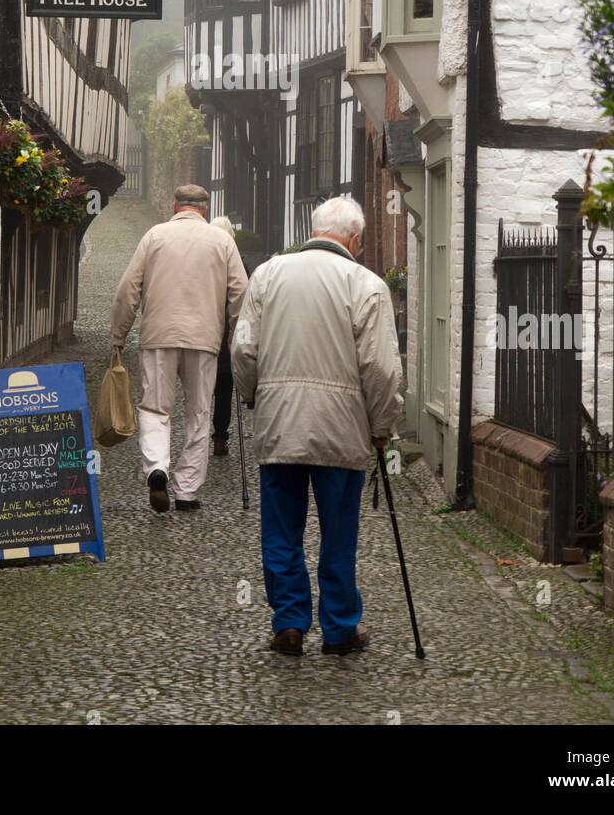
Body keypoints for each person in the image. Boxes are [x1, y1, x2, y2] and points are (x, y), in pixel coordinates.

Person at [231, 196, 403, 657]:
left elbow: (243, 349)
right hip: (341, 429)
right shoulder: (366, 285)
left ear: (314, 229)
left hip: (279, 425)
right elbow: (382, 368)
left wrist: (253, 396)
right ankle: (340, 628)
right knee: (338, 534)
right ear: (354, 240)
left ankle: (289, 623)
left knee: (282, 531)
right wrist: (381, 424)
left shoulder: (267, 274)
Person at [111, 184, 249, 513]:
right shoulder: (223, 242)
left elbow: (128, 289)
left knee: (155, 408)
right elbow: (242, 294)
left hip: (158, 335)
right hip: (204, 340)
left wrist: (118, 335)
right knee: (199, 412)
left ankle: (157, 466)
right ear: (205, 208)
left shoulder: (154, 237)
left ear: (175, 206)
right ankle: (186, 490)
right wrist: (237, 335)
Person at [209, 215, 236, 457]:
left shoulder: (200, 263)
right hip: (226, 337)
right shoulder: (237, 264)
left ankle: (196, 435)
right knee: (224, 391)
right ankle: (219, 436)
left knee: (200, 388)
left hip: (203, 335)